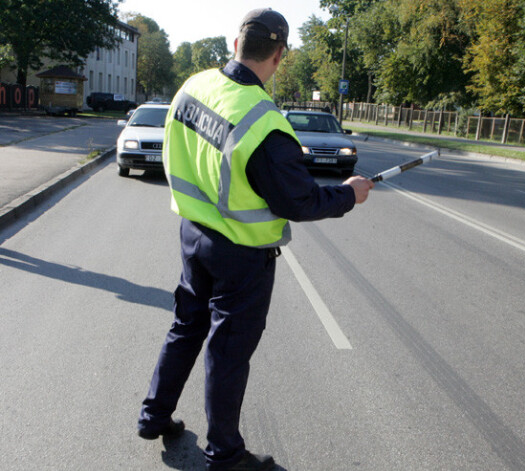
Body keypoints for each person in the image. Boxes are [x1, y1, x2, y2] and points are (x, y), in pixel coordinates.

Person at [137, 8, 374, 471]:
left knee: (185, 327)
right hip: (241, 254)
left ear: (235, 44)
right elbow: (299, 202)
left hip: (192, 234)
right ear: (279, 55)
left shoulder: (194, 87)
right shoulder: (264, 124)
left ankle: (153, 415)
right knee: (227, 353)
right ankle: (224, 454)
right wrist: (348, 195)